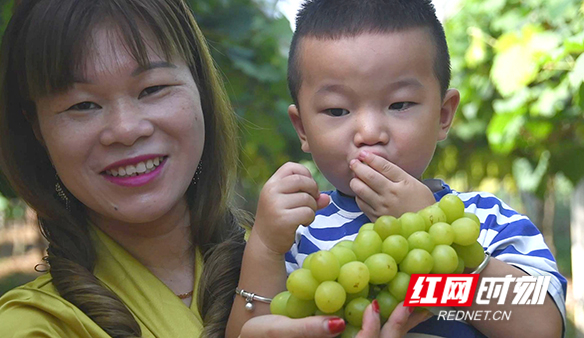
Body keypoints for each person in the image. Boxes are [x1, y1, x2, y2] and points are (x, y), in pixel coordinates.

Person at [228, 0, 567, 337]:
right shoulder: (294, 236)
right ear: (302, 128)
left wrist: (434, 233)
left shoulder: (485, 221)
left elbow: (542, 327)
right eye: (336, 110)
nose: (370, 132)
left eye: (399, 104)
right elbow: (251, 332)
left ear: (443, 115)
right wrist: (265, 246)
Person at [0, 0, 257, 337]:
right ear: (38, 130)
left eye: (153, 88)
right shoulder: (34, 325)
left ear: (200, 86)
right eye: (82, 105)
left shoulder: (298, 257)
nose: (126, 130)